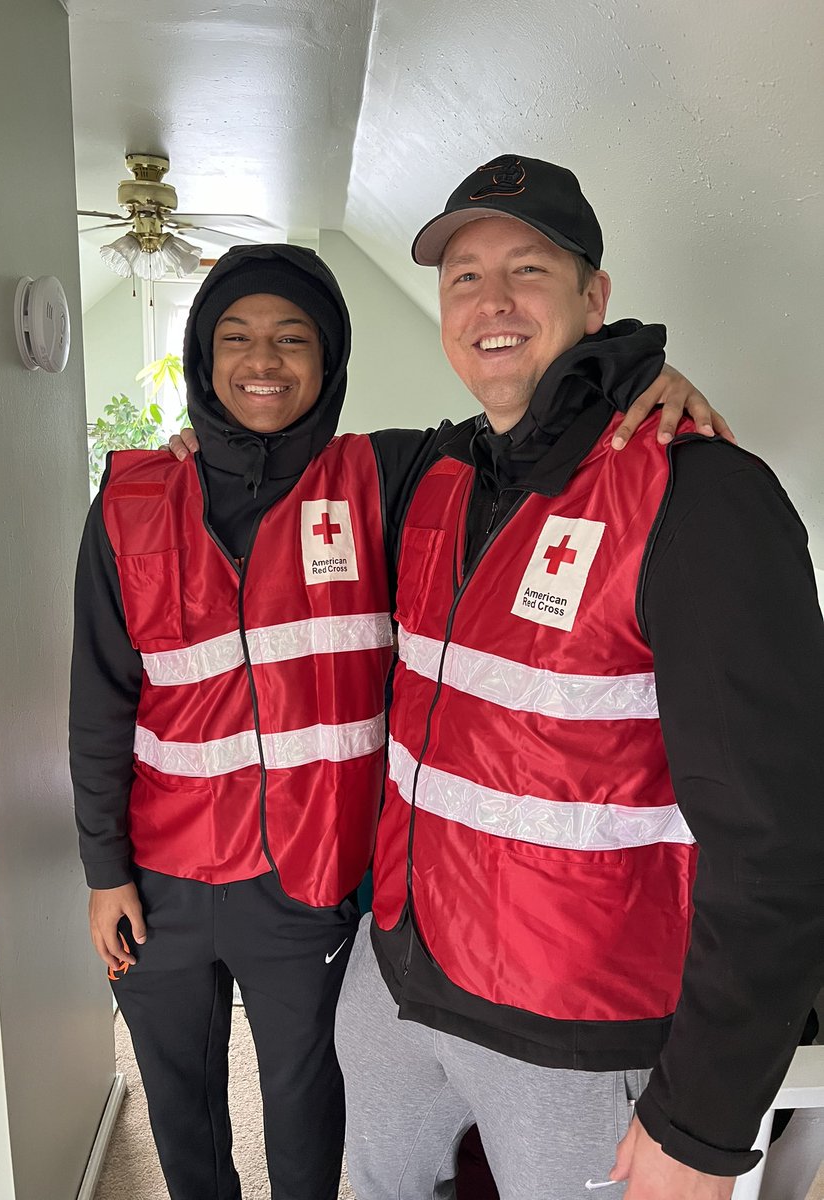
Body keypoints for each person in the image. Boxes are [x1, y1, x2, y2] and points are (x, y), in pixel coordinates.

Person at [72, 242, 718, 1200]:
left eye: (294, 338)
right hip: (161, 880)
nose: (264, 361)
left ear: (329, 363)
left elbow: (526, 415)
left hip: (308, 879)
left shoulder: (389, 476)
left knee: (306, 1107)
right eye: (237, 338)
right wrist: (103, 870)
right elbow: (99, 699)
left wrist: (633, 373)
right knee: (179, 1104)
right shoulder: (129, 504)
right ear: (203, 359)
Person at [330, 154, 824, 1200]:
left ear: (595, 299)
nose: (492, 302)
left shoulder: (699, 501)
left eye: (529, 271)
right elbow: (278, 466)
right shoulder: (434, 474)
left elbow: (780, 845)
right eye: (464, 277)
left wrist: (703, 1119)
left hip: (577, 1039)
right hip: (401, 981)